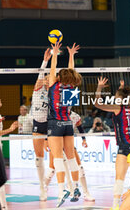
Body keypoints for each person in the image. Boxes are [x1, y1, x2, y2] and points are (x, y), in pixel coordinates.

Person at [47, 42, 82, 207]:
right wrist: (71, 55)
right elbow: (72, 72)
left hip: (55, 124)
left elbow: (53, 68)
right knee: (71, 158)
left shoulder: (54, 84)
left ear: (60, 77)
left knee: (58, 159)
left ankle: (62, 191)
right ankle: (75, 187)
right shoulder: (72, 86)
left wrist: (55, 54)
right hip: (68, 123)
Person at [95, 78, 130, 209]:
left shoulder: (117, 107)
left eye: (116, 96)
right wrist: (121, 88)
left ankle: (116, 205)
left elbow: (97, 104)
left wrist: (99, 88)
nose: (114, 98)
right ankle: (119, 204)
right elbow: (125, 97)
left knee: (121, 178)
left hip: (125, 146)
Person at [44, 110, 95, 202]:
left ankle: (85, 193)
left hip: (68, 145)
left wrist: (84, 139)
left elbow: (80, 128)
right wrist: (46, 140)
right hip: (56, 143)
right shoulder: (55, 113)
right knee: (52, 170)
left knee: (80, 169)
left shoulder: (75, 116)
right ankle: (44, 188)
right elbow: (49, 127)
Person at [30, 48, 52, 201]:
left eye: (50, 78)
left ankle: (47, 181)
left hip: (51, 124)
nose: (47, 80)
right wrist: (46, 61)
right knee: (39, 157)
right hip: (38, 124)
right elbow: (40, 74)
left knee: (58, 157)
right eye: (46, 78)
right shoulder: (38, 89)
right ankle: (41, 187)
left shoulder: (54, 91)